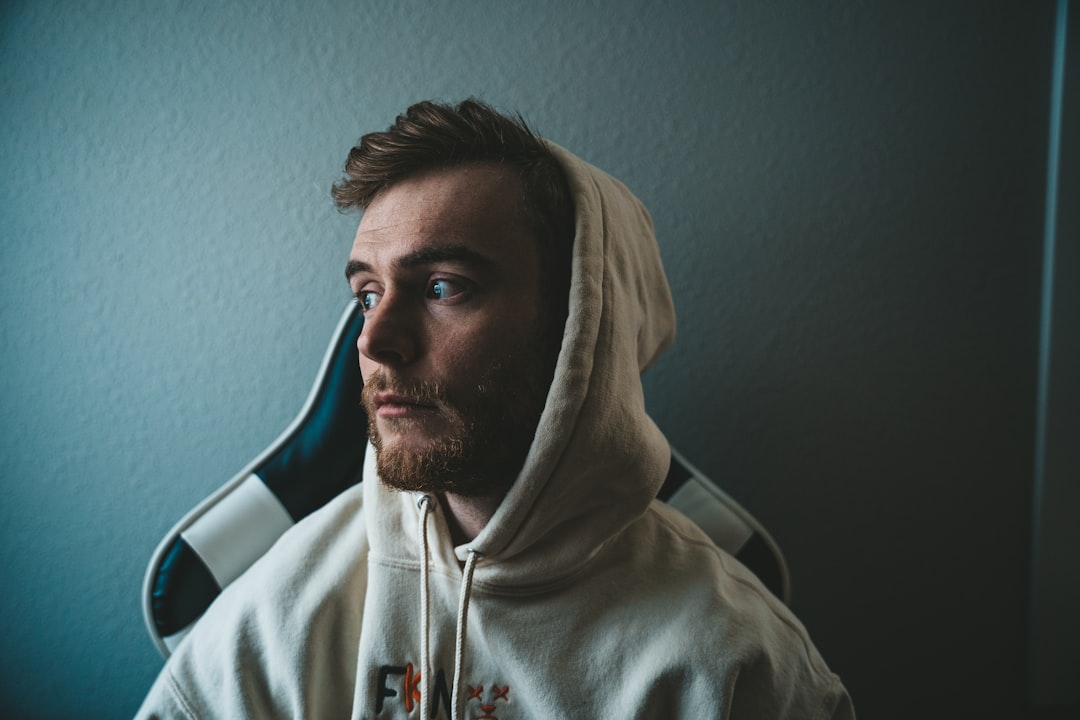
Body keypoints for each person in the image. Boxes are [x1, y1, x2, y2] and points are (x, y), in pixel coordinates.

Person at [136, 99, 854, 719]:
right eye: (366, 294)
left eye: (445, 287)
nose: (375, 341)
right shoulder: (287, 606)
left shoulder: (735, 663)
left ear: (582, 332)